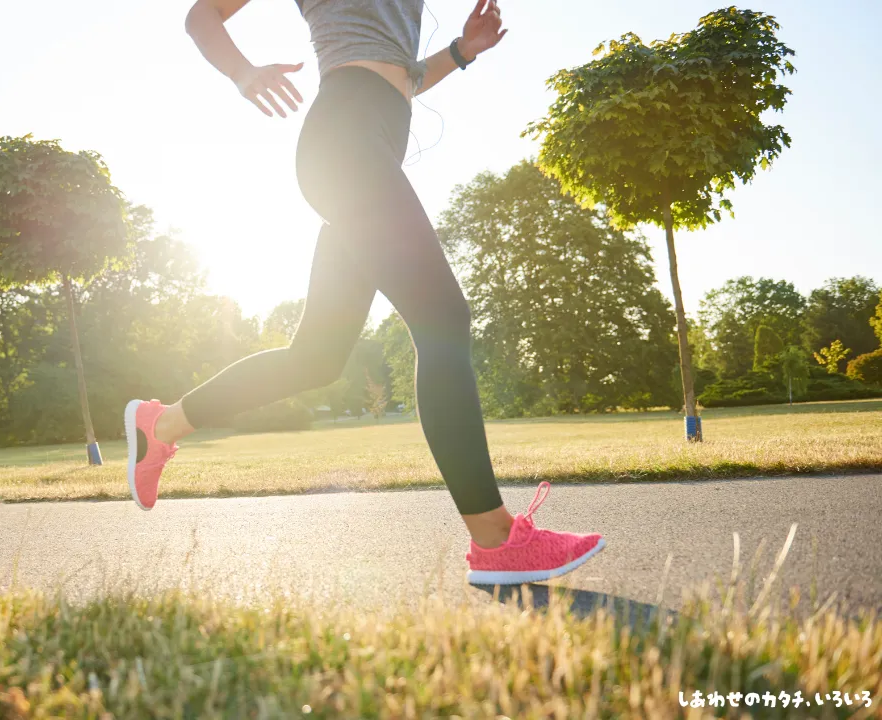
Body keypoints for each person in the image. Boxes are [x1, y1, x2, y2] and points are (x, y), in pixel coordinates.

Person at [124, 0, 605, 585]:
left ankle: (163, 423)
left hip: (364, 147)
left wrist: (461, 52)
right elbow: (202, 14)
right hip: (345, 146)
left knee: (317, 359)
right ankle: (495, 539)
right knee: (443, 320)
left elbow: (401, 72)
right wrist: (244, 73)